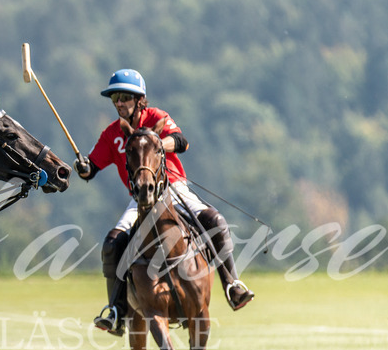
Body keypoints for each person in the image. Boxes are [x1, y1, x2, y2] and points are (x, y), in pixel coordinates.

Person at [74, 68, 254, 335]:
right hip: (140, 199)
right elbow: (92, 166)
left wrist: (157, 142)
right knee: (113, 243)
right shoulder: (112, 133)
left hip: (173, 188)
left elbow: (181, 141)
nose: (119, 103)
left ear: (139, 99)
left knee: (214, 220)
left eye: (124, 97)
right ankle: (115, 309)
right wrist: (83, 168)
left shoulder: (157, 117)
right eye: (115, 99)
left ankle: (232, 284)